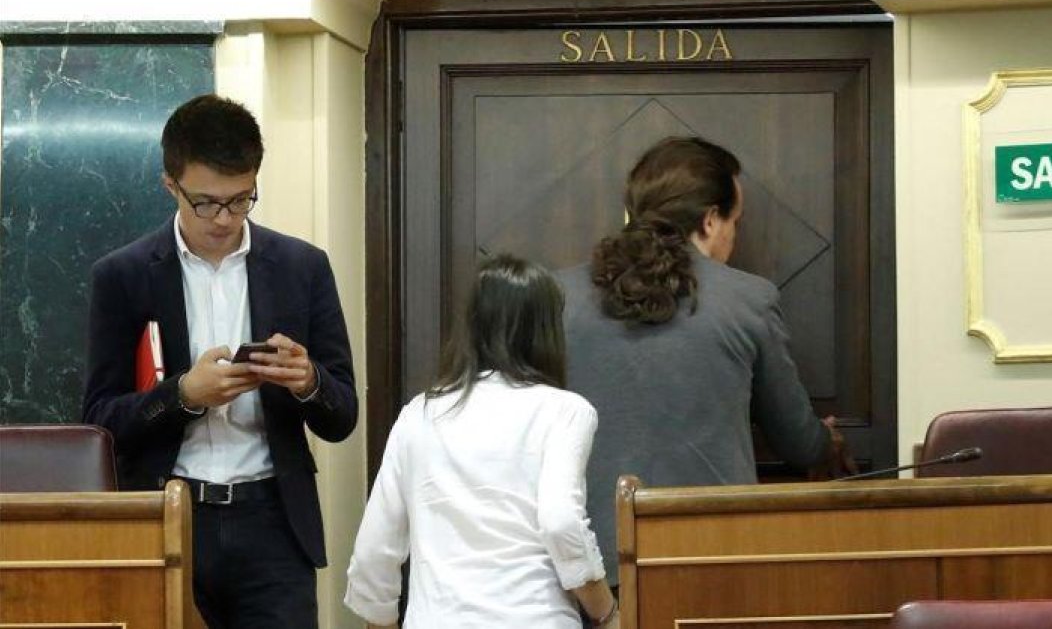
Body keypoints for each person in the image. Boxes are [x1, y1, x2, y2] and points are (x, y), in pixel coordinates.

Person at [82, 94, 357, 628]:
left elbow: (342, 415)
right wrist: (183, 396)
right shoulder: (123, 275)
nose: (224, 218)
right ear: (171, 185)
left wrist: (308, 382)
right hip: (168, 515)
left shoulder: (302, 267)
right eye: (206, 202)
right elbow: (98, 421)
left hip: (274, 522)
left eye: (240, 200)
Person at [556, 136, 836, 586]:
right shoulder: (749, 299)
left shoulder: (560, 297)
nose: (733, 235)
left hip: (591, 565)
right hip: (716, 557)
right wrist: (829, 443)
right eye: (736, 223)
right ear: (709, 221)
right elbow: (800, 443)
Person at [345, 255, 618, 629]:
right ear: (548, 329)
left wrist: (382, 620)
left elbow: (374, 549)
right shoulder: (565, 411)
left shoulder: (419, 415)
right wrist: (605, 612)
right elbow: (560, 521)